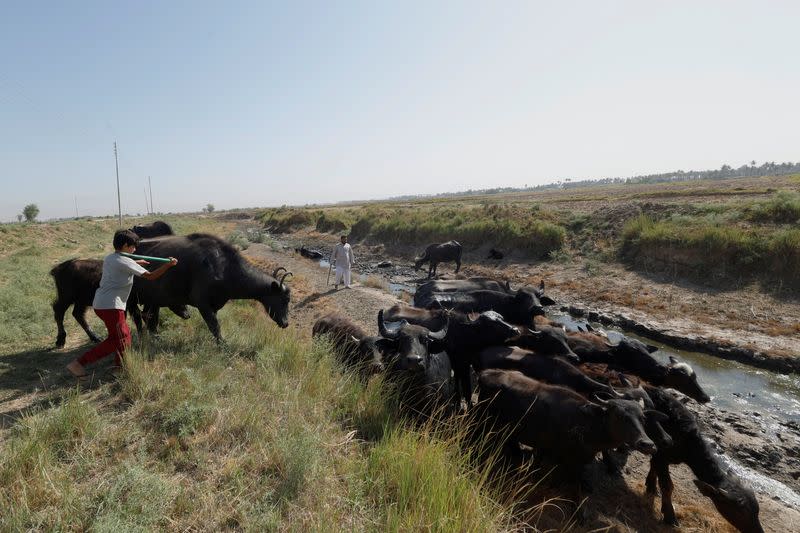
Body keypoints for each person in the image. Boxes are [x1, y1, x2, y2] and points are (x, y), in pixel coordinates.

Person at [66, 229, 177, 379]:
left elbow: (119, 265)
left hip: (102, 303)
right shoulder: (124, 261)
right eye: (133, 246)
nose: (135, 249)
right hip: (111, 306)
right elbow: (151, 276)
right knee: (118, 339)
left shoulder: (111, 257)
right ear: (125, 245)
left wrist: (135, 262)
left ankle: (119, 368)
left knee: (124, 337)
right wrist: (168, 265)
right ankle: (79, 364)